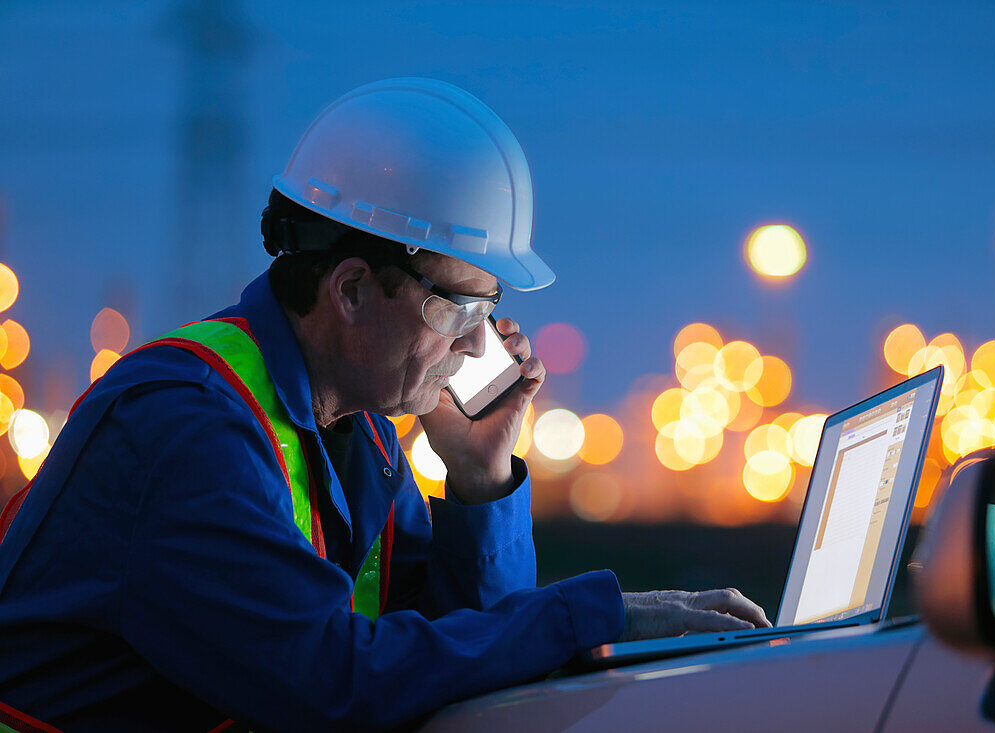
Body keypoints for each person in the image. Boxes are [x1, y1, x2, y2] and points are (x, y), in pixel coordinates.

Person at [0, 78, 768, 732]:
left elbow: (458, 654)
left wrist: (480, 476)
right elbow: (334, 683)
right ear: (354, 291)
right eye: (456, 310)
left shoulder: (357, 429)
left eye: (487, 313)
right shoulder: (185, 429)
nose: (477, 349)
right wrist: (598, 615)